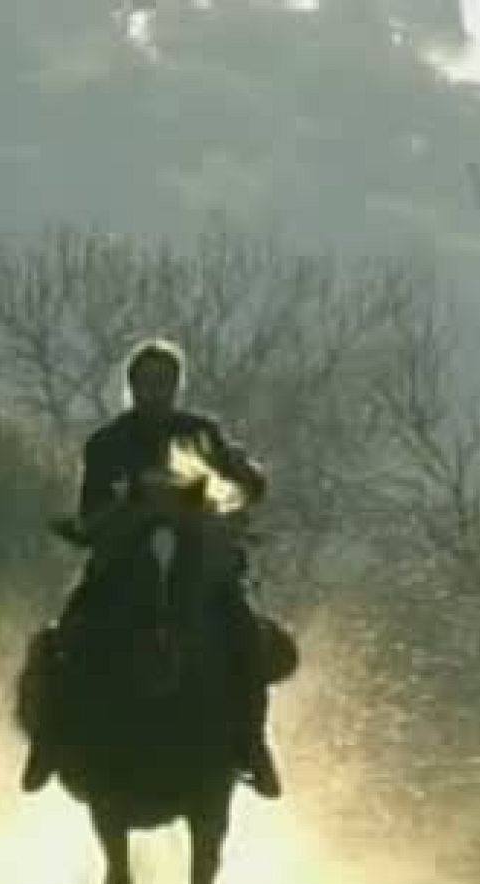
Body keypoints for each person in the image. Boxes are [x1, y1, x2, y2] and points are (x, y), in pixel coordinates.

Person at [20, 337, 283, 799]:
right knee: (64, 638)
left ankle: (252, 741)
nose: (156, 392)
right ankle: (50, 740)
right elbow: (90, 514)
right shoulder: (106, 444)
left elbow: (247, 488)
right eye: (147, 383)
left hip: (196, 566)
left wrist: (240, 478)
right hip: (124, 567)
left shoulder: (201, 435)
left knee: (244, 634)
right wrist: (127, 505)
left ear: (176, 386)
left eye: (164, 383)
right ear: (132, 386)